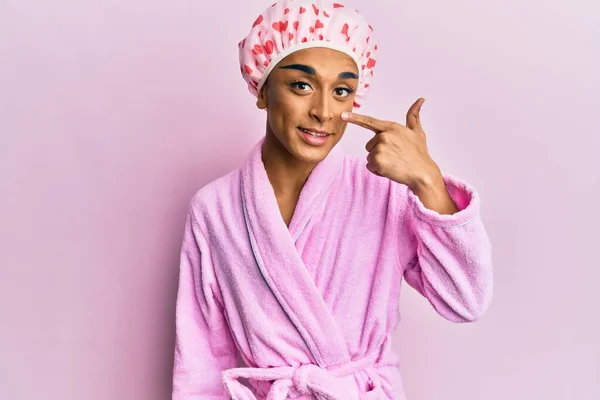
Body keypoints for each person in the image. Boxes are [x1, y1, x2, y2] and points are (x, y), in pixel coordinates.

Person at [171, 0, 493, 399]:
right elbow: (202, 358)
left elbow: (465, 301)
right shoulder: (214, 208)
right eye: (301, 85)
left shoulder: (383, 190)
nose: (324, 111)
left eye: (341, 91)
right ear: (262, 88)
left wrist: (428, 181)